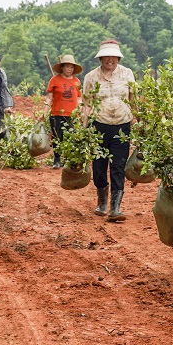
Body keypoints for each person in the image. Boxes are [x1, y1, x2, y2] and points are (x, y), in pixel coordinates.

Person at [82, 40, 136, 221]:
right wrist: (82, 129)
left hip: (122, 125)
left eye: (113, 57)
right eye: (107, 57)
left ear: (118, 58)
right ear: (101, 58)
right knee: (99, 165)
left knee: (118, 166)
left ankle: (115, 208)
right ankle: (102, 202)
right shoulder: (91, 77)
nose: (110, 60)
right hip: (99, 125)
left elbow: (133, 99)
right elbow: (87, 104)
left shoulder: (127, 74)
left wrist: (141, 122)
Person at [45, 53, 83, 167]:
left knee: (71, 137)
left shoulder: (77, 81)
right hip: (57, 113)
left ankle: (68, 159)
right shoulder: (54, 80)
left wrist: (81, 112)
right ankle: (57, 159)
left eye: (71, 67)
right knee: (57, 137)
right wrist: (44, 111)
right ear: (62, 67)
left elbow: (79, 98)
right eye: (67, 66)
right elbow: (49, 97)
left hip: (72, 115)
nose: (69, 69)